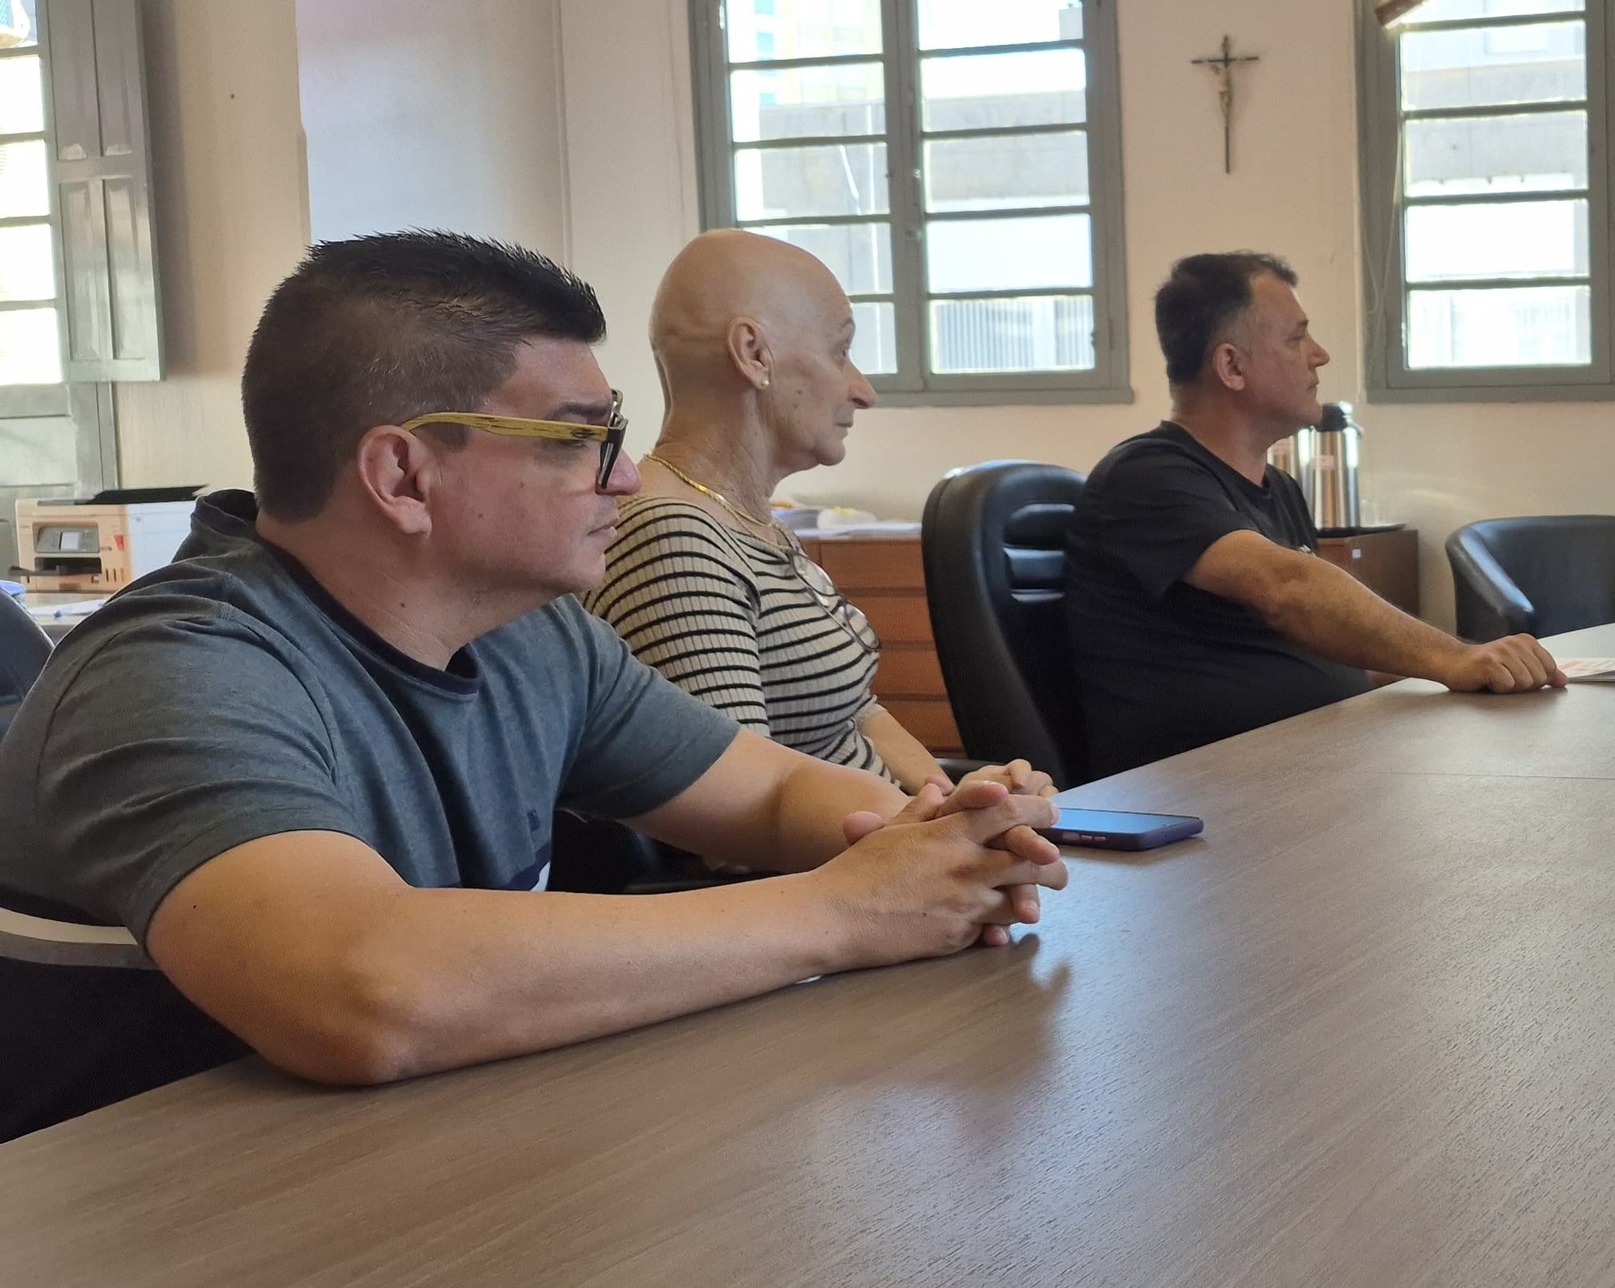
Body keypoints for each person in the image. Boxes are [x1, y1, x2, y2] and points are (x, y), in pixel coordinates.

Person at [0, 233, 1068, 1141]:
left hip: (414, 1175)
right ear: (402, 475)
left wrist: (942, 842)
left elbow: (778, 790)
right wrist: (841, 912)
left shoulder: (532, 637)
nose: (629, 477)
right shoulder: (178, 670)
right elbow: (363, 990)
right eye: (582, 438)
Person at [1063, 252, 1562, 777]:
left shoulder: (1278, 489)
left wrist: (1472, 665)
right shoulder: (1146, 476)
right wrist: (1453, 659)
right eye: (1296, 338)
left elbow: (1329, 651)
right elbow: (1288, 589)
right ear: (1232, 366)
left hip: (1307, 763)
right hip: (1204, 793)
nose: (1319, 355)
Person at [583, 230, 938, 790]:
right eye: (841, 352)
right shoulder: (671, 540)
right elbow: (740, 808)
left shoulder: (750, 524)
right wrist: (948, 830)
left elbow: (858, 712)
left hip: (893, 833)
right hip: (849, 845)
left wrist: (970, 802)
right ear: (753, 353)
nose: (863, 390)